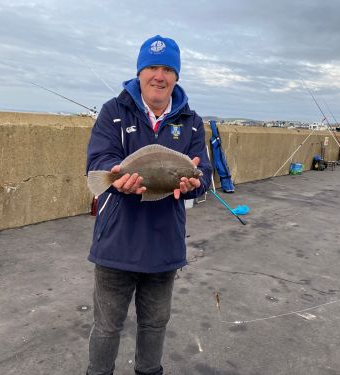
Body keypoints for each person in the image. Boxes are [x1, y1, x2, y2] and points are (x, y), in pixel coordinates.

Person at [85, 35, 212, 375]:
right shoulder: (114, 111)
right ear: (139, 72)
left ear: (177, 77)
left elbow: (205, 174)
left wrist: (192, 183)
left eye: (168, 69)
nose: (160, 76)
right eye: (152, 67)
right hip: (117, 242)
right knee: (107, 327)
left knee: (155, 326)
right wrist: (118, 179)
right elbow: (99, 161)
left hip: (163, 244)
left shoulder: (192, 122)